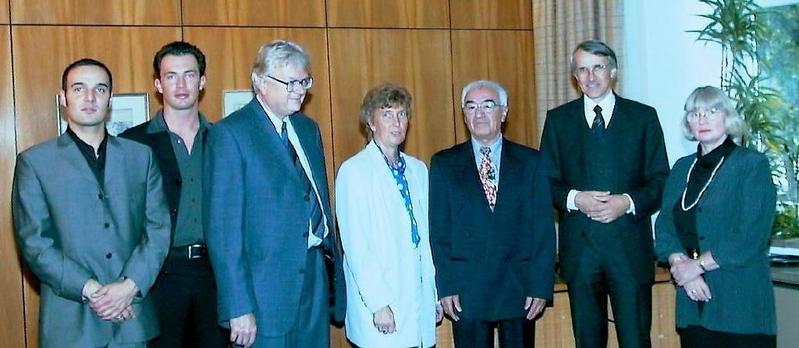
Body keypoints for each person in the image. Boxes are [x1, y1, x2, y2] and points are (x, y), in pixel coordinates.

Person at [11, 58, 171, 348]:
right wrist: (93, 291)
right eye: (78, 89)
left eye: (100, 89)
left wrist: (129, 286)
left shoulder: (141, 157)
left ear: (110, 99)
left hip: (131, 318)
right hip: (70, 322)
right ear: (63, 99)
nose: (89, 98)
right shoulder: (35, 163)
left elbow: (158, 230)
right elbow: (35, 244)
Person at [203, 39, 345, 348]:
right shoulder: (230, 134)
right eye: (290, 82)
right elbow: (223, 231)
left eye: (304, 81)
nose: (300, 89)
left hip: (314, 277)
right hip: (262, 290)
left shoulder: (308, 130)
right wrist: (237, 306)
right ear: (260, 83)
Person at [539, 40, 670, 348]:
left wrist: (627, 202)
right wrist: (576, 199)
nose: (591, 76)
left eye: (598, 67)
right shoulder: (558, 120)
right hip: (580, 254)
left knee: (636, 340)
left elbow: (661, 179)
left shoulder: (643, 118)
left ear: (613, 71)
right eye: (582, 69)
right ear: (574, 76)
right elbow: (544, 182)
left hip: (629, 251)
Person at [429, 80, 556, 347]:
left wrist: (541, 285)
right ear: (464, 114)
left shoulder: (532, 162)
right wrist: (446, 285)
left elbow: (543, 229)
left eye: (488, 106)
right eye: (471, 106)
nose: (479, 114)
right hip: (467, 289)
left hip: (519, 287)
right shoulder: (443, 164)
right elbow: (438, 232)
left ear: (504, 112)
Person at [121, 41, 227, 347]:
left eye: (189, 75)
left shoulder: (224, 140)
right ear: (158, 84)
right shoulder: (133, 144)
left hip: (214, 275)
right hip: (159, 277)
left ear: (202, 81)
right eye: (171, 76)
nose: (181, 85)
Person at [654, 86, 776, 347]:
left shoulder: (752, 164)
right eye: (695, 113)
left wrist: (696, 266)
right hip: (691, 301)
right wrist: (680, 265)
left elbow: (751, 236)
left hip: (740, 304)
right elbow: (664, 227)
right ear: (688, 122)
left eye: (712, 111)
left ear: (728, 117)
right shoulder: (681, 168)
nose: (703, 119)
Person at [336, 84, 441, 347]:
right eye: (387, 114)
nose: (397, 122)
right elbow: (356, 245)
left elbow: (425, 240)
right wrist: (378, 303)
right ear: (370, 122)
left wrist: (433, 294)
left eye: (402, 114)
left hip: (416, 298)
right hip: (381, 303)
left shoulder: (418, 170)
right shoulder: (354, 171)